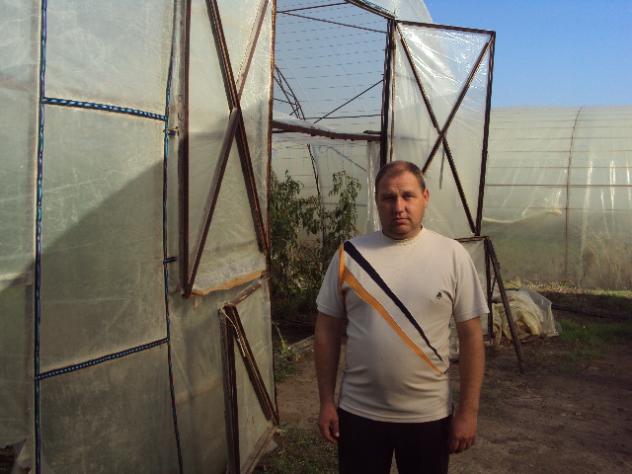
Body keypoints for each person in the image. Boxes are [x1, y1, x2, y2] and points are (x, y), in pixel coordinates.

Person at [314, 160, 487, 474]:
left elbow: (471, 336)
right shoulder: (349, 255)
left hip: (428, 416)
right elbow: (326, 330)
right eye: (388, 198)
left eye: (408, 196)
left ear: (425, 197)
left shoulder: (452, 256)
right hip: (359, 413)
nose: (398, 207)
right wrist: (326, 401)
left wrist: (468, 412)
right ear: (377, 200)